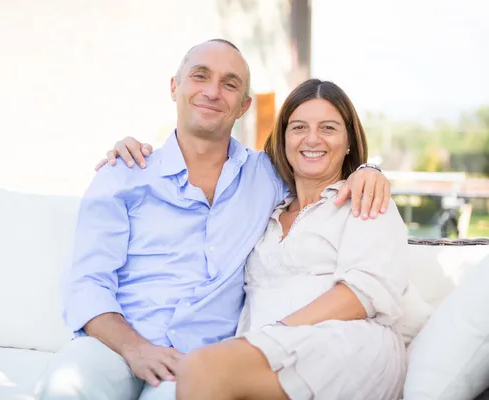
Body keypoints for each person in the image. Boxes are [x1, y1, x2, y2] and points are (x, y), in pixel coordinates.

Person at [34, 39, 392, 400]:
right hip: (113, 347)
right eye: (200, 76)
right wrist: (135, 348)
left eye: (230, 83)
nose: (212, 92)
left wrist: (368, 169)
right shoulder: (124, 174)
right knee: (65, 386)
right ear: (175, 87)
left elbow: (318, 165)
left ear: (244, 106)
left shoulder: (267, 177)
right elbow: (87, 285)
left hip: (199, 361)